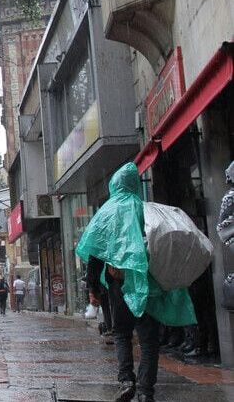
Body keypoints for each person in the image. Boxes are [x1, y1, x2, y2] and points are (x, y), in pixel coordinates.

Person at [77, 163, 197, 402]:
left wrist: (93, 288)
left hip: (117, 285)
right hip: (145, 285)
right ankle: (145, 391)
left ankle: (126, 380)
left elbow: (95, 255)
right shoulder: (146, 210)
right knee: (148, 338)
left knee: (122, 333)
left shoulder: (105, 213)